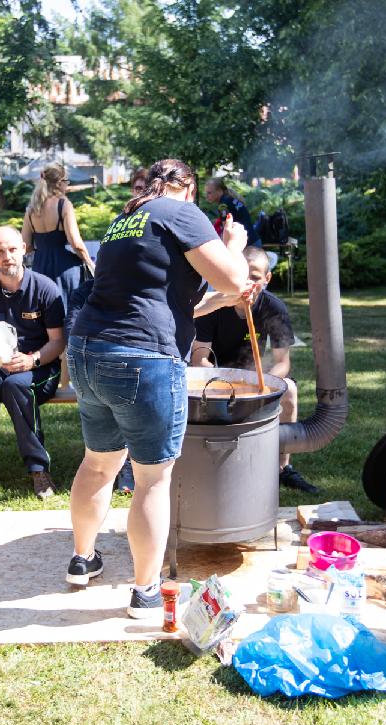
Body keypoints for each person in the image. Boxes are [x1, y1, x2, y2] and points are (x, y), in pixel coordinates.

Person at [65, 158, 255, 618]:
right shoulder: (179, 211)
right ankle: (146, 590)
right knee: (152, 478)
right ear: (186, 187)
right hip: (141, 358)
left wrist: (226, 298)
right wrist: (232, 244)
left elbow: (173, 303)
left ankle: (82, 559)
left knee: (98, 463)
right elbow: (232, 276)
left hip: (88, 351)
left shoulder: (125, 220)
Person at [191, 246, 320, 495]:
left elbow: (283, 363)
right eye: (243, 275)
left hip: (256, 375)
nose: (248, 282)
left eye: (256, 276)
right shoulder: (214, 304)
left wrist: (260, 382)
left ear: (267, 279)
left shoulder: (274, 308)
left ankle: (283, 467)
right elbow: (200, 359)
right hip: (215, 377)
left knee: (290, 390)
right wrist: (225, 381)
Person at [0, 226, 65, 499]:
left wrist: (31, 360)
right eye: (0, 252)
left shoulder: (44, 288)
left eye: (12, 249)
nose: (7, 256)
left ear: (23, 248)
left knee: (16, 386)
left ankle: (38, 470)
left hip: (38, 365)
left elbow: (58, 341)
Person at [22, 163, 93, 309]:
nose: (67, 186)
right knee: (66, 312)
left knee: (44, 313)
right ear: (60, 183)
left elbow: (26, 245)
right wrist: (90, 264)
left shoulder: (31, 209)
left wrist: (42, 251)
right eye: (67, 182)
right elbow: (76, 243)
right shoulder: (64, 204)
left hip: (40, 266)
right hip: (64, 269)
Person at [204, 176, 261, 247]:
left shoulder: (223, 205)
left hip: (247, 245)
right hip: (253, 240)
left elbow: (226, 228)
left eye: (209, 193)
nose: (206, 196)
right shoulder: (229, 199)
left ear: (219, 191)